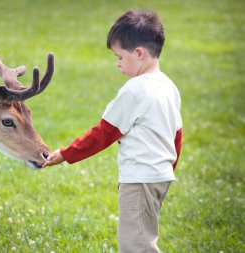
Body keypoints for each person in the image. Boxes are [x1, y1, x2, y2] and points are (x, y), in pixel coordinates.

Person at [43, 9, 183, 253]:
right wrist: (167, 169)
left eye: (119, 56)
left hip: (140, 180)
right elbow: (176, 136)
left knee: (136, 246)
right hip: (159, 177)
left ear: (139, 53)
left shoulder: (134, 90)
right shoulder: (169, 86)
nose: (117, 63)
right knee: (141, 239)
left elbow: (103, 134)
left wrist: (65, 154)